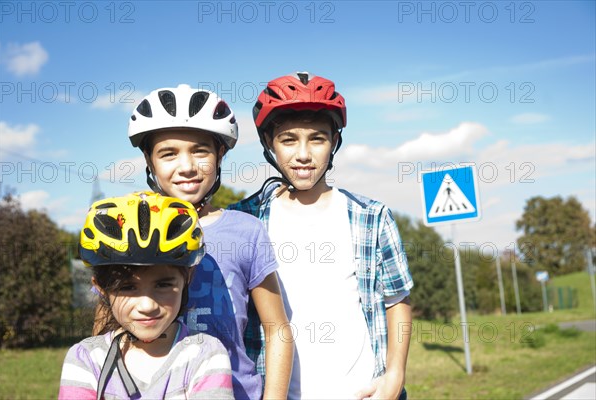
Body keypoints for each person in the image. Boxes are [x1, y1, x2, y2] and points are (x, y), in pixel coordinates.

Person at [229, 72, 414, 399]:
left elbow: (397, 299)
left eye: (317, 138)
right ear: (269, 144)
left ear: (334, 143)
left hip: (363, 392)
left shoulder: (371, 217)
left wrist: (394, 375)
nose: (303, 154)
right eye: (288, 140)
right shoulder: (245, 220)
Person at [126, 85, 293, 399]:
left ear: (220, 155)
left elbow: (278, 329)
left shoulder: (247, 231)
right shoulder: (131, 227)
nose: (187, 166)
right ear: (149, 160)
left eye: (200, 150)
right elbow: (106, 326)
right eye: (168, 153)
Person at [59, 192, 234, 399]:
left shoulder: (206, 355)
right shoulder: (86, 360)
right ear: (101, 289)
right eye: (127, 287)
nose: (147, 305)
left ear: (188, 278)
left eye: (163, 284)